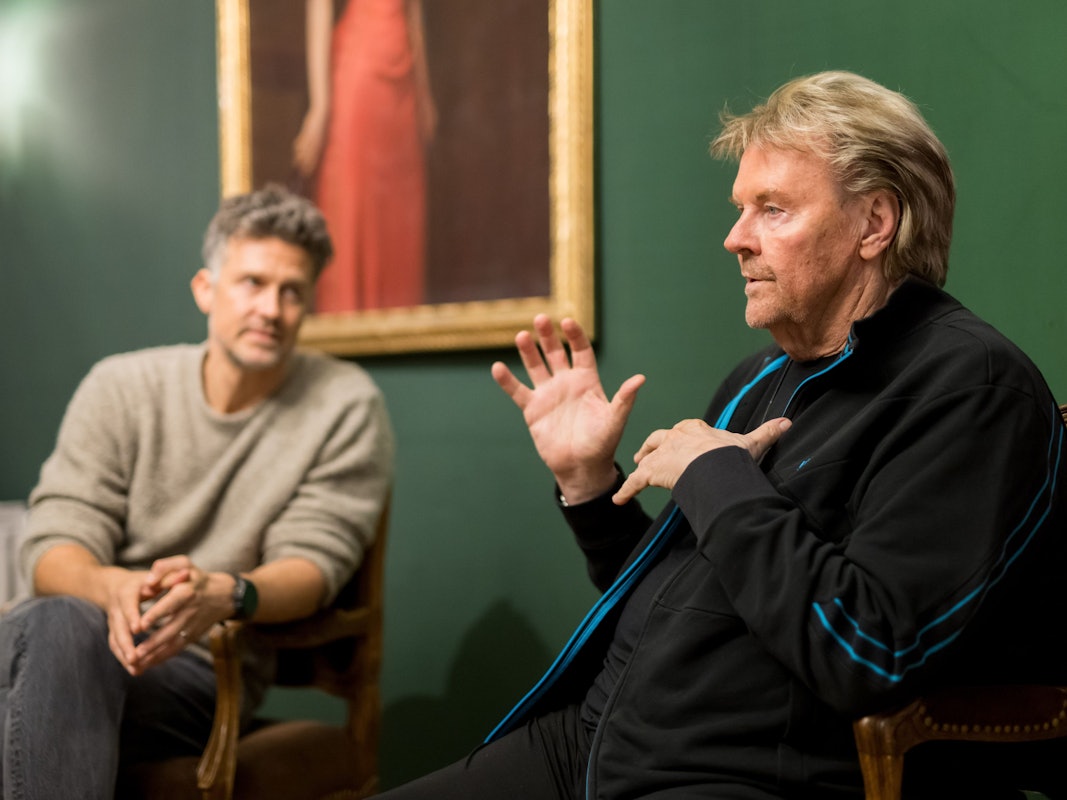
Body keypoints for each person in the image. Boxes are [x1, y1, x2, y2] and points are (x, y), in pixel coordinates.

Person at [374, 71, 1067, 799]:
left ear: (874, 223)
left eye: (772, 209)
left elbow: (867, 653)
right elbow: (693, 599)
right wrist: (590, 487)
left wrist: (714, 475)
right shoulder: (759, 376)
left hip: (743, 771)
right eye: (741, 210)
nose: (735, 239)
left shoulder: (972, 387)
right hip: (592, 743)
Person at [0, 185, 394, 799]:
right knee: (57, 627)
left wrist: (227, 592)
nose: (271, 308)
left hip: (196, 669)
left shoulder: (342, 404)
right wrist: (113, 587)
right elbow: (54, 544)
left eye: (292, 292)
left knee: (34, 669)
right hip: (67, 638)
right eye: (253, 282)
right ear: (206, 289)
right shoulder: (120, 386)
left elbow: (315, 564)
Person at [292, 0, 436, 313]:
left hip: (404, 86)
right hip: (359, 74)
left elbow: (413, 14)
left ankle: (403, 322)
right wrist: (320, 106)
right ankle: (348, 320)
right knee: (352, 200)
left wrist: (424, 93)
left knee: (401, 212)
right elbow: (319, 6)